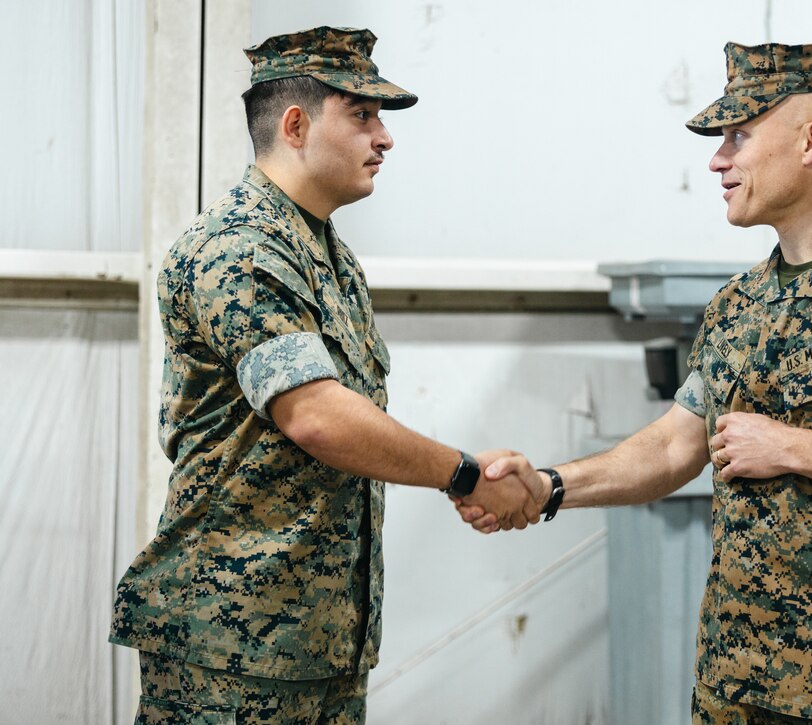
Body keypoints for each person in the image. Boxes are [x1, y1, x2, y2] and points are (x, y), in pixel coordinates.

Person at [466, 42, 812, 723]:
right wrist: (550, 486)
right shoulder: (737, 304)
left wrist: (792, 447)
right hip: (733, 689)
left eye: (739, 136)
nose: (718, 161)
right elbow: (674, 446)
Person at [110, 26, 545, 723]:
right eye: (362, 115)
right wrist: (464, 474)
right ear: (295, 125)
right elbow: (316, 416)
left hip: (316, 639)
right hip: (232, 647)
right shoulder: (239, 248)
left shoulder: (324, 254)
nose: (385, 137)